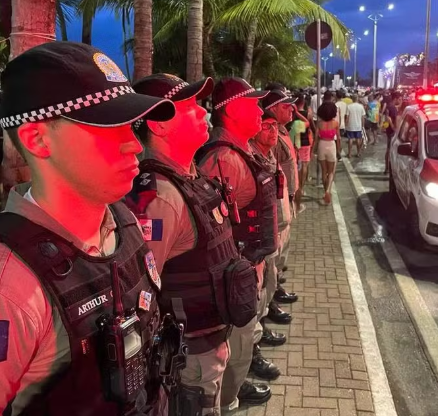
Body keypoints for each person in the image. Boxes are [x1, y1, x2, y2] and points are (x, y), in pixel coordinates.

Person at [0, 42, 181, 415]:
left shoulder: (122, 221)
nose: (133, 144)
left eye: (130, 124)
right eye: (108, 126)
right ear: (37, 139)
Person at [126, 74, 259, 416]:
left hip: (209, 340)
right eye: (190, 107)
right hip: (189, 357)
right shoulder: (158, 198)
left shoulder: (190, 177)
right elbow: (141, 290)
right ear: (158, 126)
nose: (203, 112)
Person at [196, 77, 276, 411]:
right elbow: (214, 228)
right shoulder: (223, 160)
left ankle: (233, 393)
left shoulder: (242, 151)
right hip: (231, 279)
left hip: (245, 269)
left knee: (241, 347)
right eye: (252, 103)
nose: (260, 109)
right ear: (230, 111)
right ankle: (230, 399)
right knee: (234, 350)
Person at [289, 94, 312, 213]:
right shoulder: (302, 119)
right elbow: (308, 123)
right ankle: (297, 202)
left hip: (294, 146)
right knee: (303, 167)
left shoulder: (290, 120)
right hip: (302, 145)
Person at [315, 100, 340, 204]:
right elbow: (338, 138)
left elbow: (316, 139)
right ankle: (327, 191)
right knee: (330, 172)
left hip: (321, 145)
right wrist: (339, 149)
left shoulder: (319, 124)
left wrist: (313, 150)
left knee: (323, 171)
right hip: (331, 145)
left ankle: (325, 192)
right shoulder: (335, 123)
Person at [385, 92, 402, 174]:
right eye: (400, 99)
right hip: (392, 132)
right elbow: (395, 123)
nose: (400, 101)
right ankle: (390, 169)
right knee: (392, 151)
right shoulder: (393, 109)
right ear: (395, 98)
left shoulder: (389, 106)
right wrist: (394, 127)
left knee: (388, 150)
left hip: (388, 130)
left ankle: (386, 168)